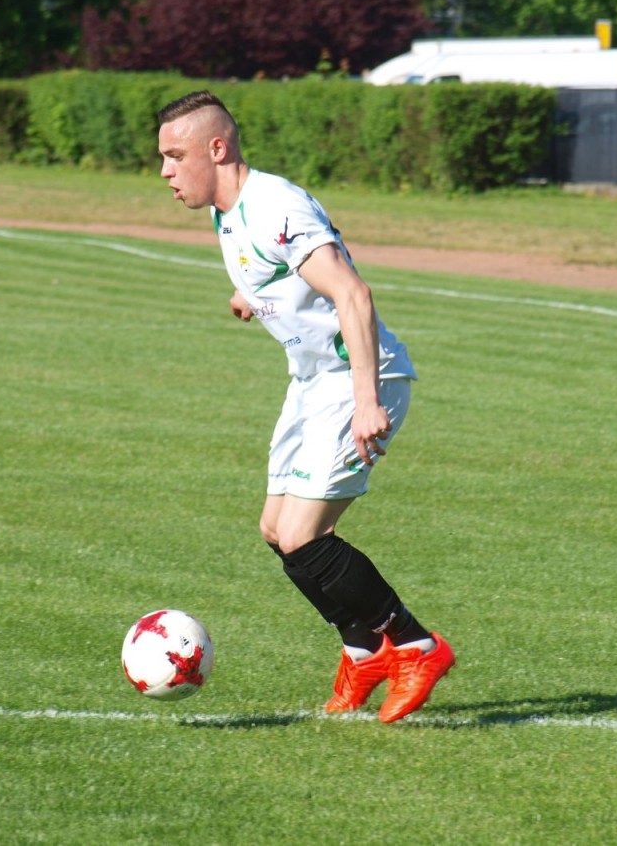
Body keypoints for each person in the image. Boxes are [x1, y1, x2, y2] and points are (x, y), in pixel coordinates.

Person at [155, 90, 455, 722]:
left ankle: (415, 646)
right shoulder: (230, 212)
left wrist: (367, 402)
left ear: (217, 148)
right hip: (313, 383)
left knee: (302, 536)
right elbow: (281, 272)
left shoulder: (274, 205)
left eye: (175, 156)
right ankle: (362, 650)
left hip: (357, 379)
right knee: (276, 530)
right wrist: (252, 296)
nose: (165, 172)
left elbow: (353, 294)